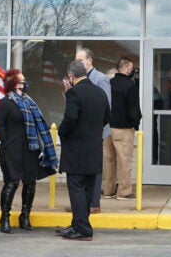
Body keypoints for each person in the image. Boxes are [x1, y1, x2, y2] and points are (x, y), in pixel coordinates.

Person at [0, 69, 58, 234]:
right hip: (12, 150)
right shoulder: (5, 102)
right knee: (12, 182)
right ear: (14, 84)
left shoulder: (30, 102)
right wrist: (6, 143)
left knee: (30, 183)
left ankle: (25, 216)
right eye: (22, 80)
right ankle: (5, 218)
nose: (25, 83)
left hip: (31, 148)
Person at [57, 60, 110, 241]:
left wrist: (62, 133)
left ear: (71, 76)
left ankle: (83, 229)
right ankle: (77, 224)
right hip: (94, 148)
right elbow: (106, 117)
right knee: (87, 190)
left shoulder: (74, 93)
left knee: (76, 189)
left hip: (76, 149)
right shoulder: (100, 92)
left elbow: (70, 118)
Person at [66, 47, 111, 214]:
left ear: (89, 61)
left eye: (80, 60)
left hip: (95, 132)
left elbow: (106, 106)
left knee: (93, 168)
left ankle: (93, 203)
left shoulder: (100, 79)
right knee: (80, 169)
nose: (77, 63)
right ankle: (81, 204)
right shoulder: (76, 80)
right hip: (81, 133)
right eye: (76, 60)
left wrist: (96, 128)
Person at [103, 58, 142, 200]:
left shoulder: (108, 84)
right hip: (123, 128)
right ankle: (124, 192)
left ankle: (108, 190)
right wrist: (135, 124)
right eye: (131, 68)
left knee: (109, 160)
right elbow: (133, 109)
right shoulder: (130, 86)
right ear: (125, 68)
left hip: (107, 128)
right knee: (124, 160)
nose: (132, 71)